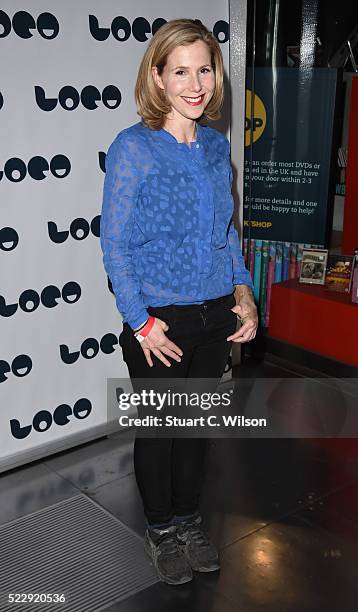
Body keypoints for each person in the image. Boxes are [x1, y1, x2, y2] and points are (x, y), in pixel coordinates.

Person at [100, 18, 258, 586]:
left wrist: (245, 295)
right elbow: (114, 245)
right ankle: (161, 529)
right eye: (181, 71)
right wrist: (141, 324)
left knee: (194, 428)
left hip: (214, 312)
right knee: (161, 431)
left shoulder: (217, 149)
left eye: (205, 69)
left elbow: (227, 234)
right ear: (159, 78)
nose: (195, 84)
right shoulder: (134, 148)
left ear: (217, 74)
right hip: (157, 320)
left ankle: (190, 522)